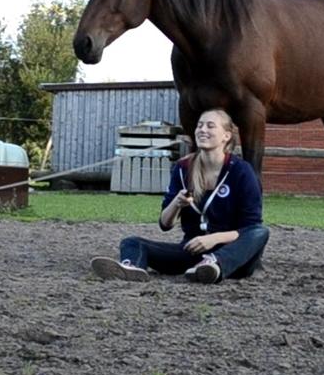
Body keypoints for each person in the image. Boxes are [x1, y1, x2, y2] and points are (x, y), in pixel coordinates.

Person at [90, 108, 269, 284]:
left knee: (261, 232)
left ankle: (214, 265)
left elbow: (250, 228)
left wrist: (213, 239)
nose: (202, 130)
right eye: (199, 125)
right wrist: (177, 203)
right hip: (192, 252)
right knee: (131, 242)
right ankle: (131, 268)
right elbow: (165, 224)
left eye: (210, 126)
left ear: (226, 136)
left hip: (234, 256)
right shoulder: (183, 168)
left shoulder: (241, 171)